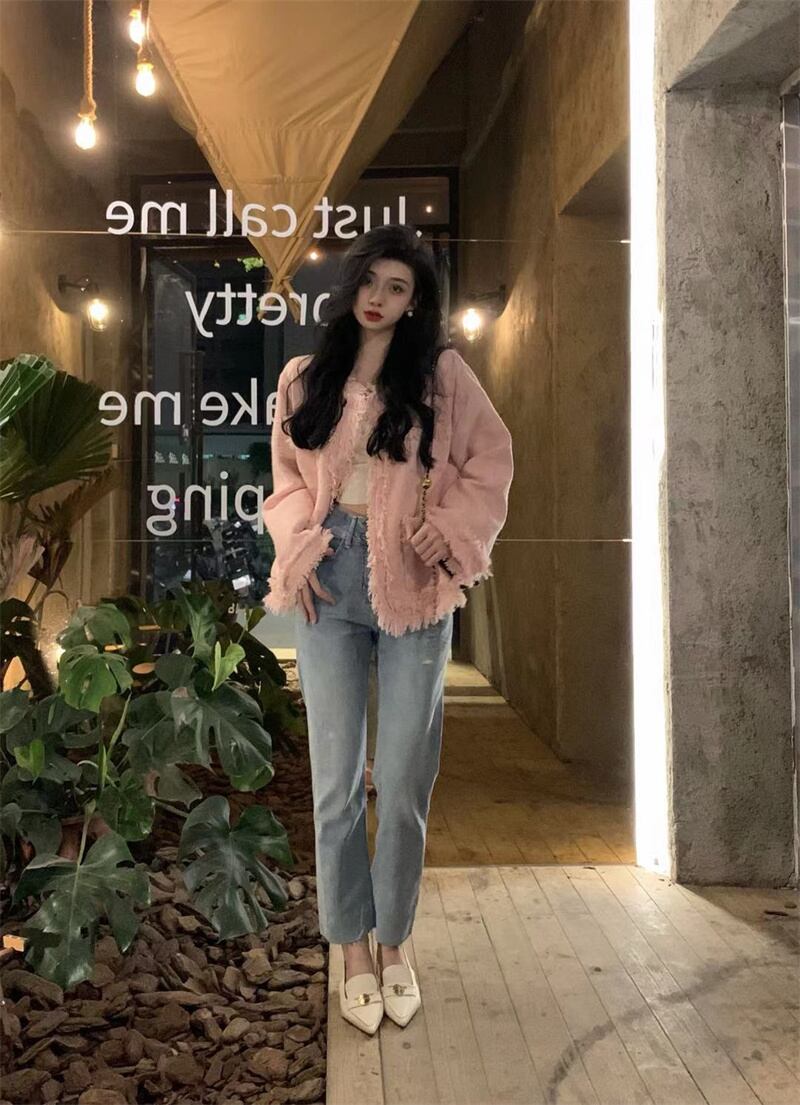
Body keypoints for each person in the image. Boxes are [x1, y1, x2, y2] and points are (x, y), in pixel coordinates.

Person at [262, 223, 513, 1034]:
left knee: (403, 777)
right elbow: (287, 482)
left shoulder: (442, 377)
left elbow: (490, 460)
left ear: (415, 302)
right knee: (335, 780)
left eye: (398, 287)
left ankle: (396, 938)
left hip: (415, 583)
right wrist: (297, 550)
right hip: (331, 580)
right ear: (354, 285)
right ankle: (351, 946)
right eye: (371, 281)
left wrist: (454, 528)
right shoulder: (305, 378)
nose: (379, 298)